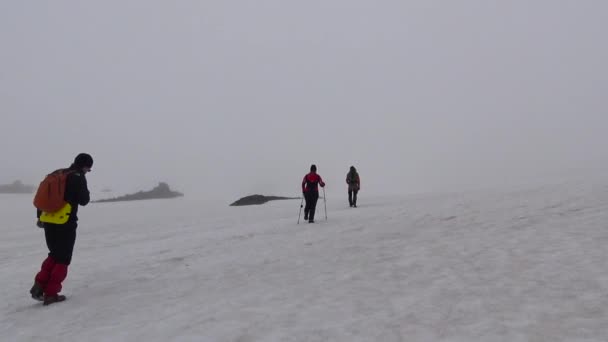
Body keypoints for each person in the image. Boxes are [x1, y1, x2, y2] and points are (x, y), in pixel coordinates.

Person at [30, 153, 93, 305]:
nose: (87, 171)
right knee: (63, 258)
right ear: (85, 166)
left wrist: (40, 217)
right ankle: (51, 294)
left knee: (54, 254)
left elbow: (43, 197)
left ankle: (39, 286)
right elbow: (84, 200)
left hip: (48, 219)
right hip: (65, 221)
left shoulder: (57, 173)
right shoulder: (77, 176)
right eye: (88, 169)